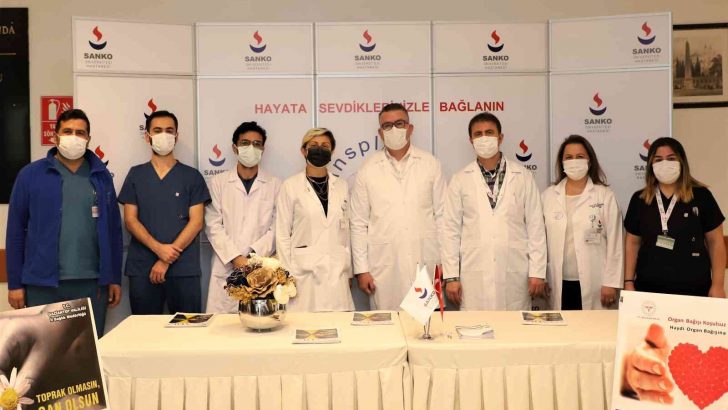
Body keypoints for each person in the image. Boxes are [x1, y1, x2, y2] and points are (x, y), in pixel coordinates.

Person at [5, 109, 122, 334]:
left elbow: (114, 231)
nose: (74, 137)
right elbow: (16, 232)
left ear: (88, 139)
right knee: (46, 350)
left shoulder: (101, 176)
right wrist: (15, 283)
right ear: (55, 136)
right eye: (67, 131)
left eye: (80, 133)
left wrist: (114, 278)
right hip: (42, 284)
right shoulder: (30, 175)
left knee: (87, 350)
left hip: (92, 283)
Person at [441, 112, 547, 310]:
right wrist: (452, 276)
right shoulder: (460, 179)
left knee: (513, 325)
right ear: (471, 140)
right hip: (474, 275)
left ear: (500, 137)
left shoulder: (523, 176)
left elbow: (536, 227)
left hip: (515, 273)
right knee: (475, 326)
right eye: (478, 134)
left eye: (489, 133)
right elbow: (450, 231)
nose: (484, 138)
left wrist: (537, 272)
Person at [350, 103, 446, 310]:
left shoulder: (430, 164)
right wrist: (362, 269)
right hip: (384, 266)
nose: (394, 129)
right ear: (380, 133)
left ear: (410, 128)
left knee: (424, 322)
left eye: (399, 124)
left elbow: (442, 217)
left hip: (425, 260)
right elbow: (358, 223)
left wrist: (446, 264)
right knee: (388, 324)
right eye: (387, 126)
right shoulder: (367, 169)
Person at [118, 110, 211, 314]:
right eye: (158, 130)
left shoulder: (192, 176)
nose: (164, 135)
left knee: (188, 329)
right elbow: (130, 220)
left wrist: (166, 258)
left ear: (176, 136)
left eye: (169, 131)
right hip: (143, 267)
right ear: (147, 136)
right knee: (144, 330)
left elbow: (196, 222)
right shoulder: (136, 175)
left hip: (183, 269)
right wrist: (159, 249)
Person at [624, 137, 725, 297]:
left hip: (695, 288)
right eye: (658, 160)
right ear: (651, 165)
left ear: (681, 162)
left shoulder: (701, 196)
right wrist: (628, 281)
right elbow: (632, 242)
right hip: (649, 290)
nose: (665, 164)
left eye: (671, 158)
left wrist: (718, 285)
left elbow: (716, 242)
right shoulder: (639, 199)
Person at [205, 121, 280, 313]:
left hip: (261, 266)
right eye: (245, 143)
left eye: (257, 144)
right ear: (235, 147)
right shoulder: (219, 182)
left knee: (259, 322)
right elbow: (213, 225)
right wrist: (236, 258)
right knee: (223, 326)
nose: (251, 148)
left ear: (263, 149)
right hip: (226, 266)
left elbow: (277, 226)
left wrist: (253, 258)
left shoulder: (275, 184)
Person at [542, 135, 624, 310]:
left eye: (580, 156)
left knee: (592, 326)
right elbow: (539, 241)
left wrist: (611, 282)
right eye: (569, 157)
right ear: (562, 163)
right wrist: (541, 275)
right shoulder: (548, 196)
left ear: (589, 161)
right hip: (558, 282)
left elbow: (616, 242)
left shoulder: (605, 195)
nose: (574, 161)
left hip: (597, 282)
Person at [276, 128, 354, 311]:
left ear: (332, 152)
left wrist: (349, 271)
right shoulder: (290, 186)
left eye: (325, 146)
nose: (320, 149)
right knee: (304, 325)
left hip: (337, 272)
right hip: (303, 274)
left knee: (338, 324)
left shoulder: (341, 186)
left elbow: (346, 232)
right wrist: (286, 275)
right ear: (303, 151)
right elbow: (282, 234)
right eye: (314, 145)